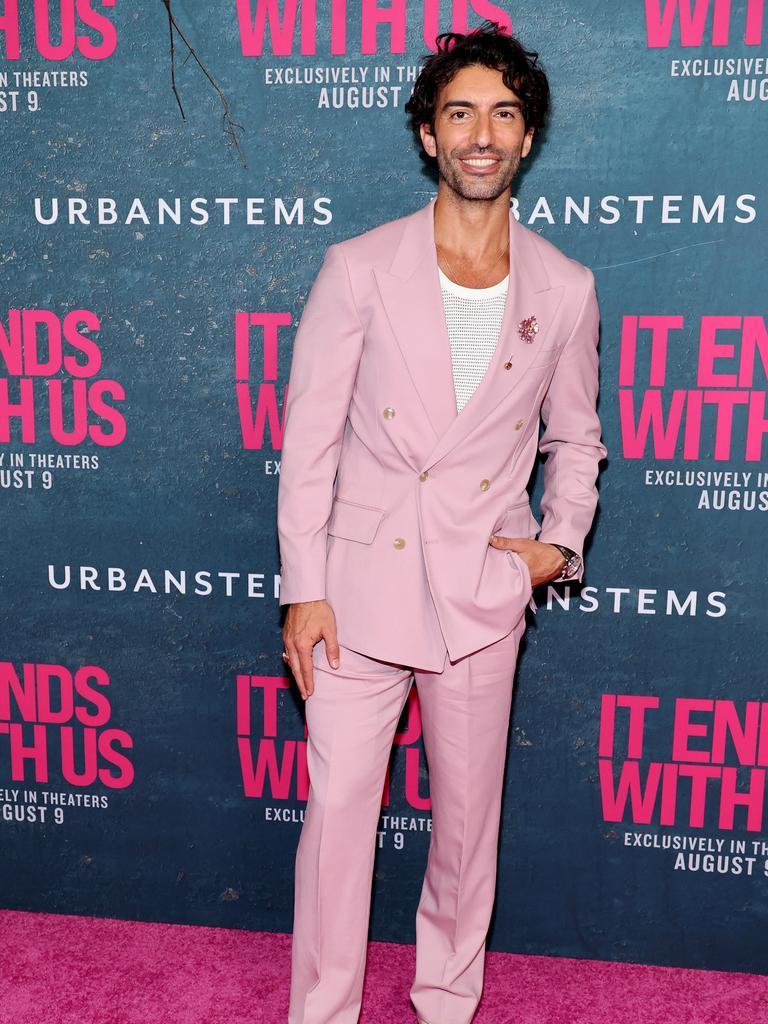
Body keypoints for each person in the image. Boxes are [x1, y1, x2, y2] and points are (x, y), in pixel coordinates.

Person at [276, 20, 608, 1024]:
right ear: (428, 133)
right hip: (356, 590)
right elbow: (310, 442)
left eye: (503, 115)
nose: (481, 134)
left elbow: (579, 437)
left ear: (526, 138)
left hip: (480, 588)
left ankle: (448, 1001)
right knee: (336, 820)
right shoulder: (360, 267)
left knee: (466, 826)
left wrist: (558, 542)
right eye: (460, 112)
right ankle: (322, 1011)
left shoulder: (566, 285)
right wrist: (302, 590)